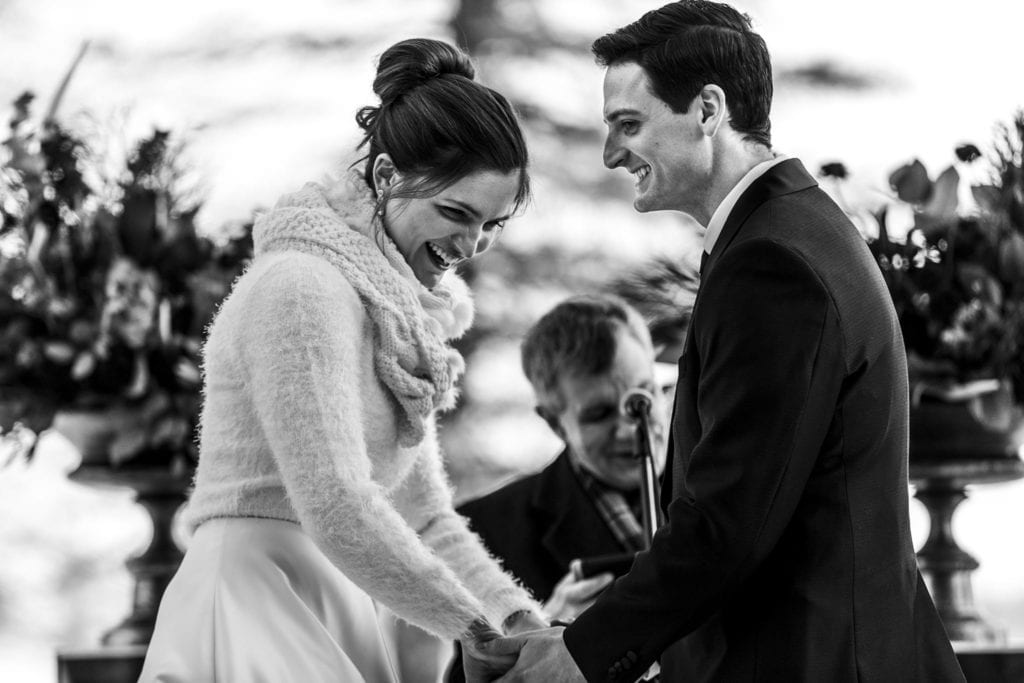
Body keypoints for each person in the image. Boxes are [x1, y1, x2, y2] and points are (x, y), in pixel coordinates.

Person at [484, 2, 967, 681]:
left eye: (629, 124)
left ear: (708, 110)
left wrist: (578, 656)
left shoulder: (770, 263)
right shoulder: (794, 229)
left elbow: (729, 522)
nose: (611, 153)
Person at [139, 38, 546, 682]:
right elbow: (336, 504)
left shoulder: (397, 312)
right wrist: (468, 627)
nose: (472, 245)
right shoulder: (303, 286)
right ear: (386, 177)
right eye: (455, 213)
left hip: (334, 594)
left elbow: (425, 515)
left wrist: (515, 619)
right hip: (255, 594)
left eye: (491, 225)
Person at [446, 294, 672, 681]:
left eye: (642, 396)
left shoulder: (721, 491)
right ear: (554, 422)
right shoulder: (481, 535)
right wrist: (546, 629)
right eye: (598, 414)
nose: (630, 428)